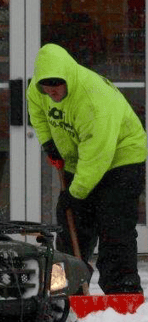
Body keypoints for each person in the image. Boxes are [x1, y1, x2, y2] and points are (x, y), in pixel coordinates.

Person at [27, 43, 147, 295]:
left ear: (67, 77)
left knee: (114, 228)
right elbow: (37, 113)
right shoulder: (38, 91)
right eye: (46, 86)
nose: (52, 91)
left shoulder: (92, 98)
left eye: (57, 85)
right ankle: (70, 290)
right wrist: (49, 143)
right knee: (71, 226)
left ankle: (121, 293)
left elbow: (97, 154)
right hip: (80, 160)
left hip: (121, 160)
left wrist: (76, 192)